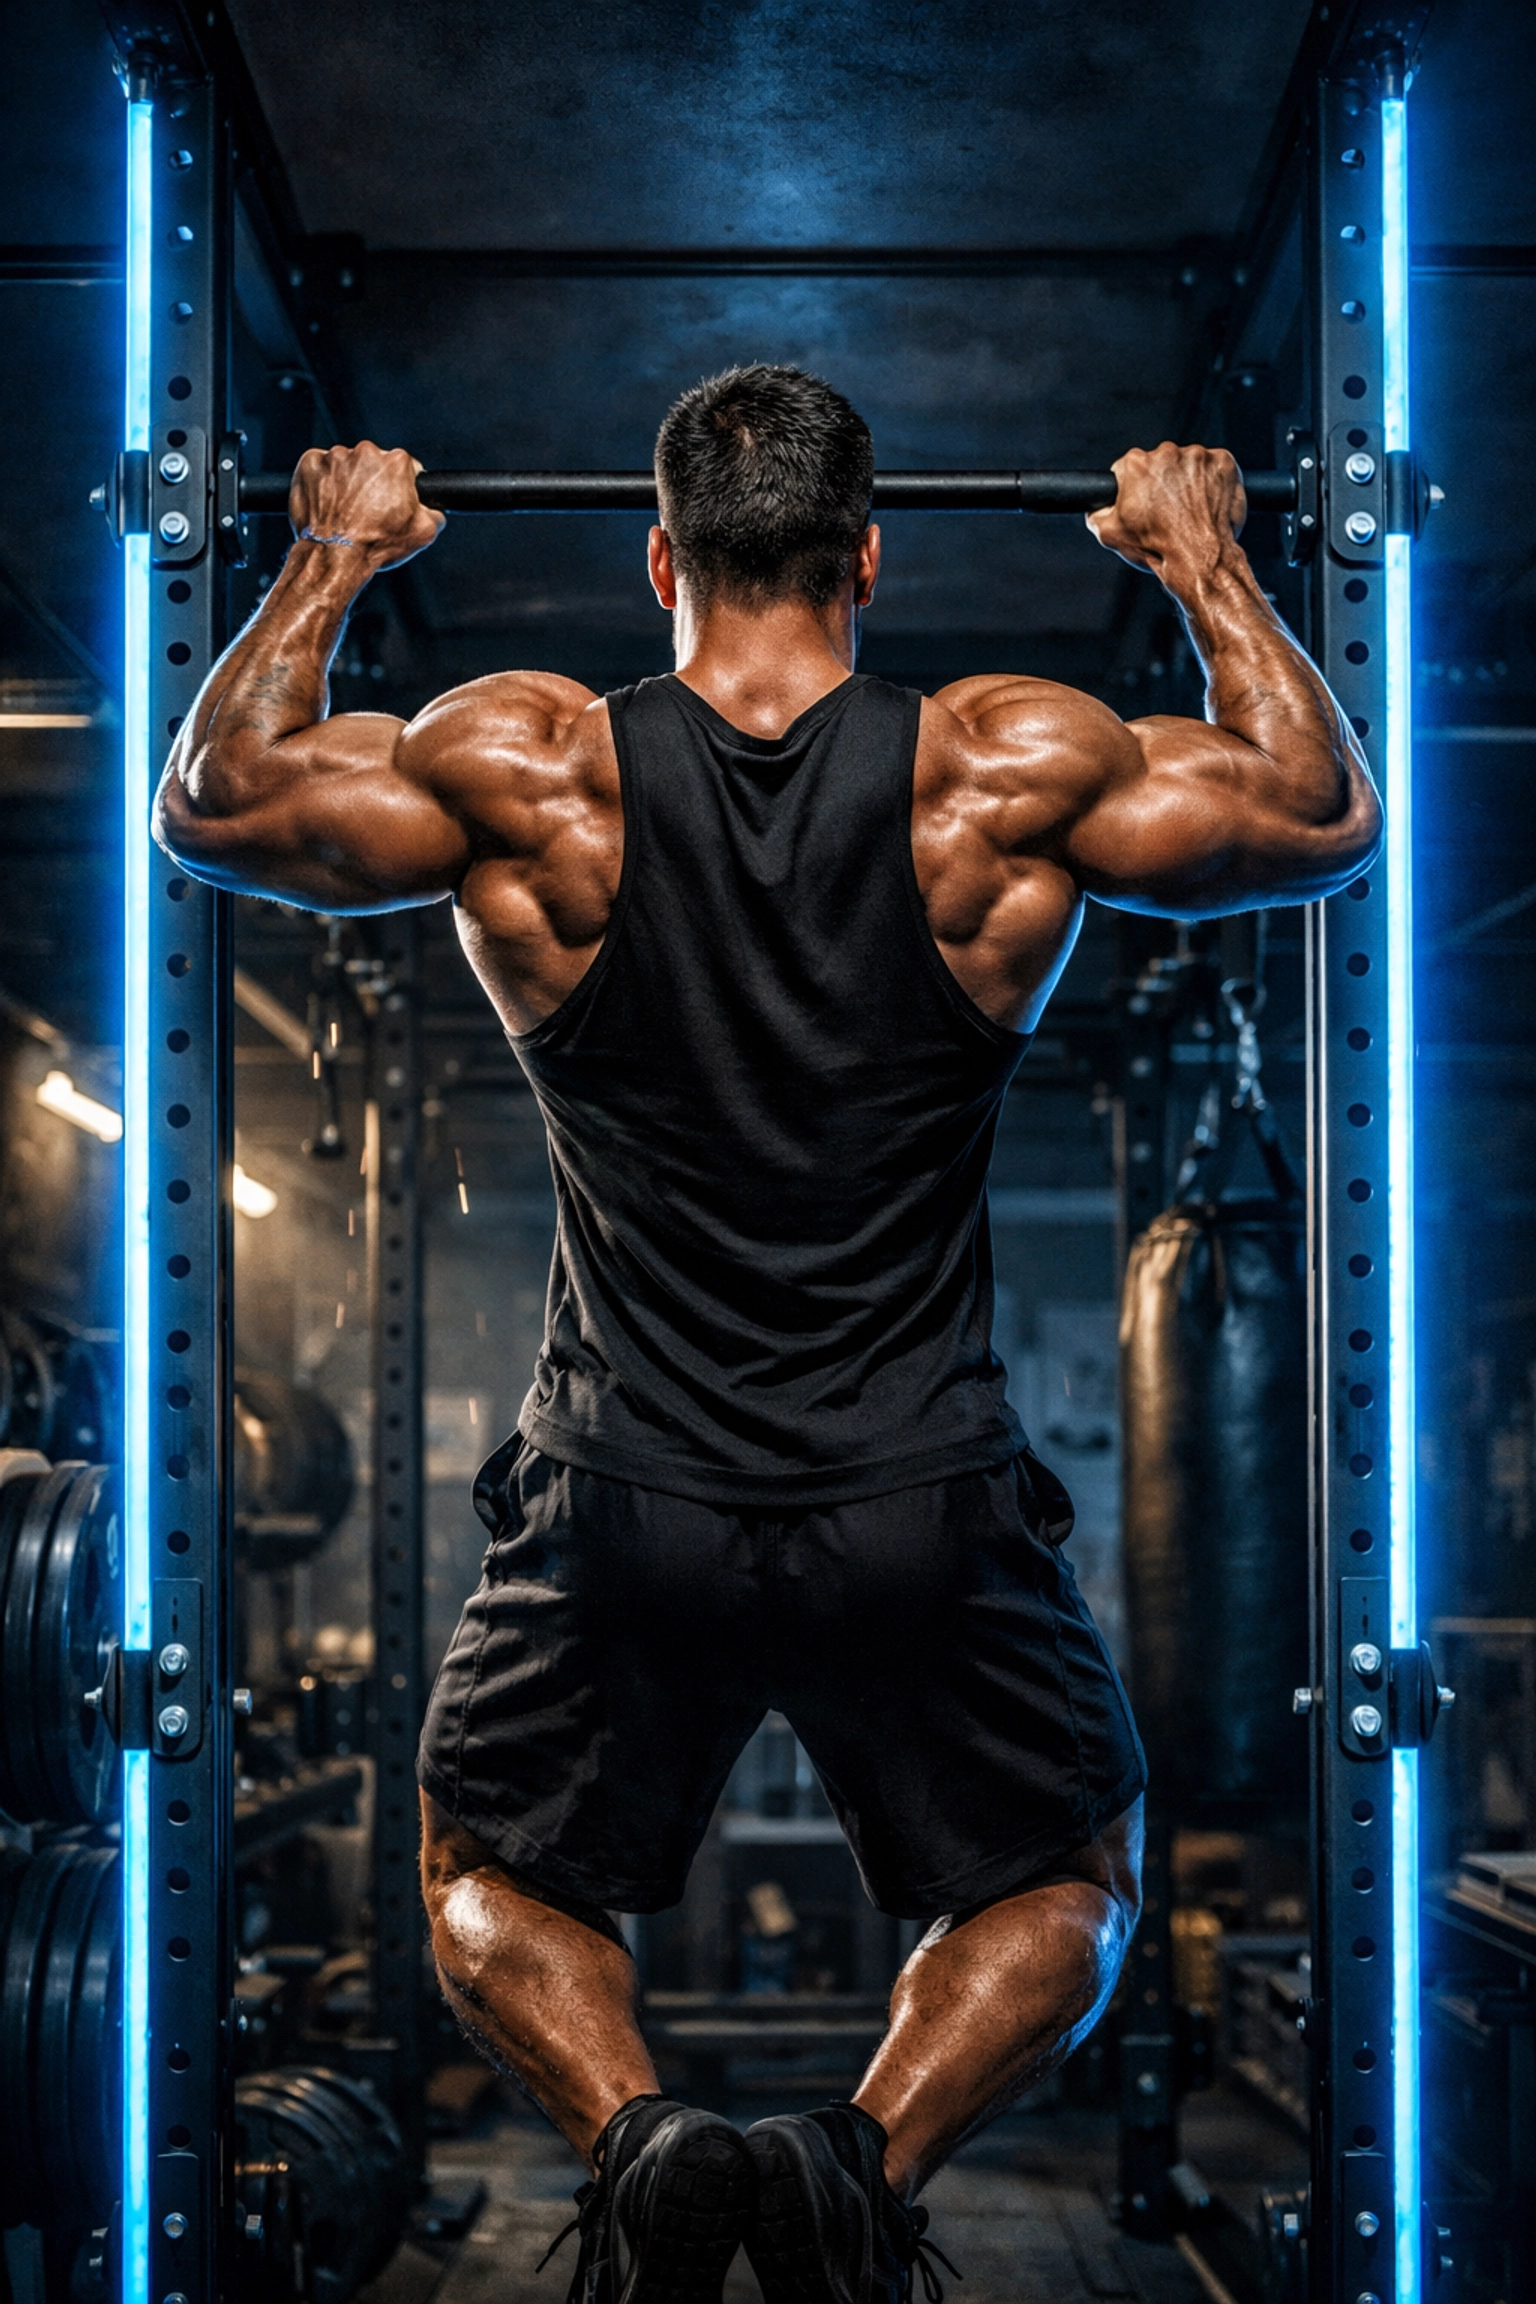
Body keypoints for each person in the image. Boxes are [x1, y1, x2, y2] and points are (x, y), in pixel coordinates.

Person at [156, 365, 1380, 2304]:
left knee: (478, 1874)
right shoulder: (1001, 767)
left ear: (659, 560)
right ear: (871, 561)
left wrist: (329, 551)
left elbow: (212, 802)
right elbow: (1319, 809)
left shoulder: (532, 765)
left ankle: (646, 2152)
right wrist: (1206, 564)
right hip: (922, 1490)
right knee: (1073, 1882)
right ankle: (853, 2163)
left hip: (623, 1486)